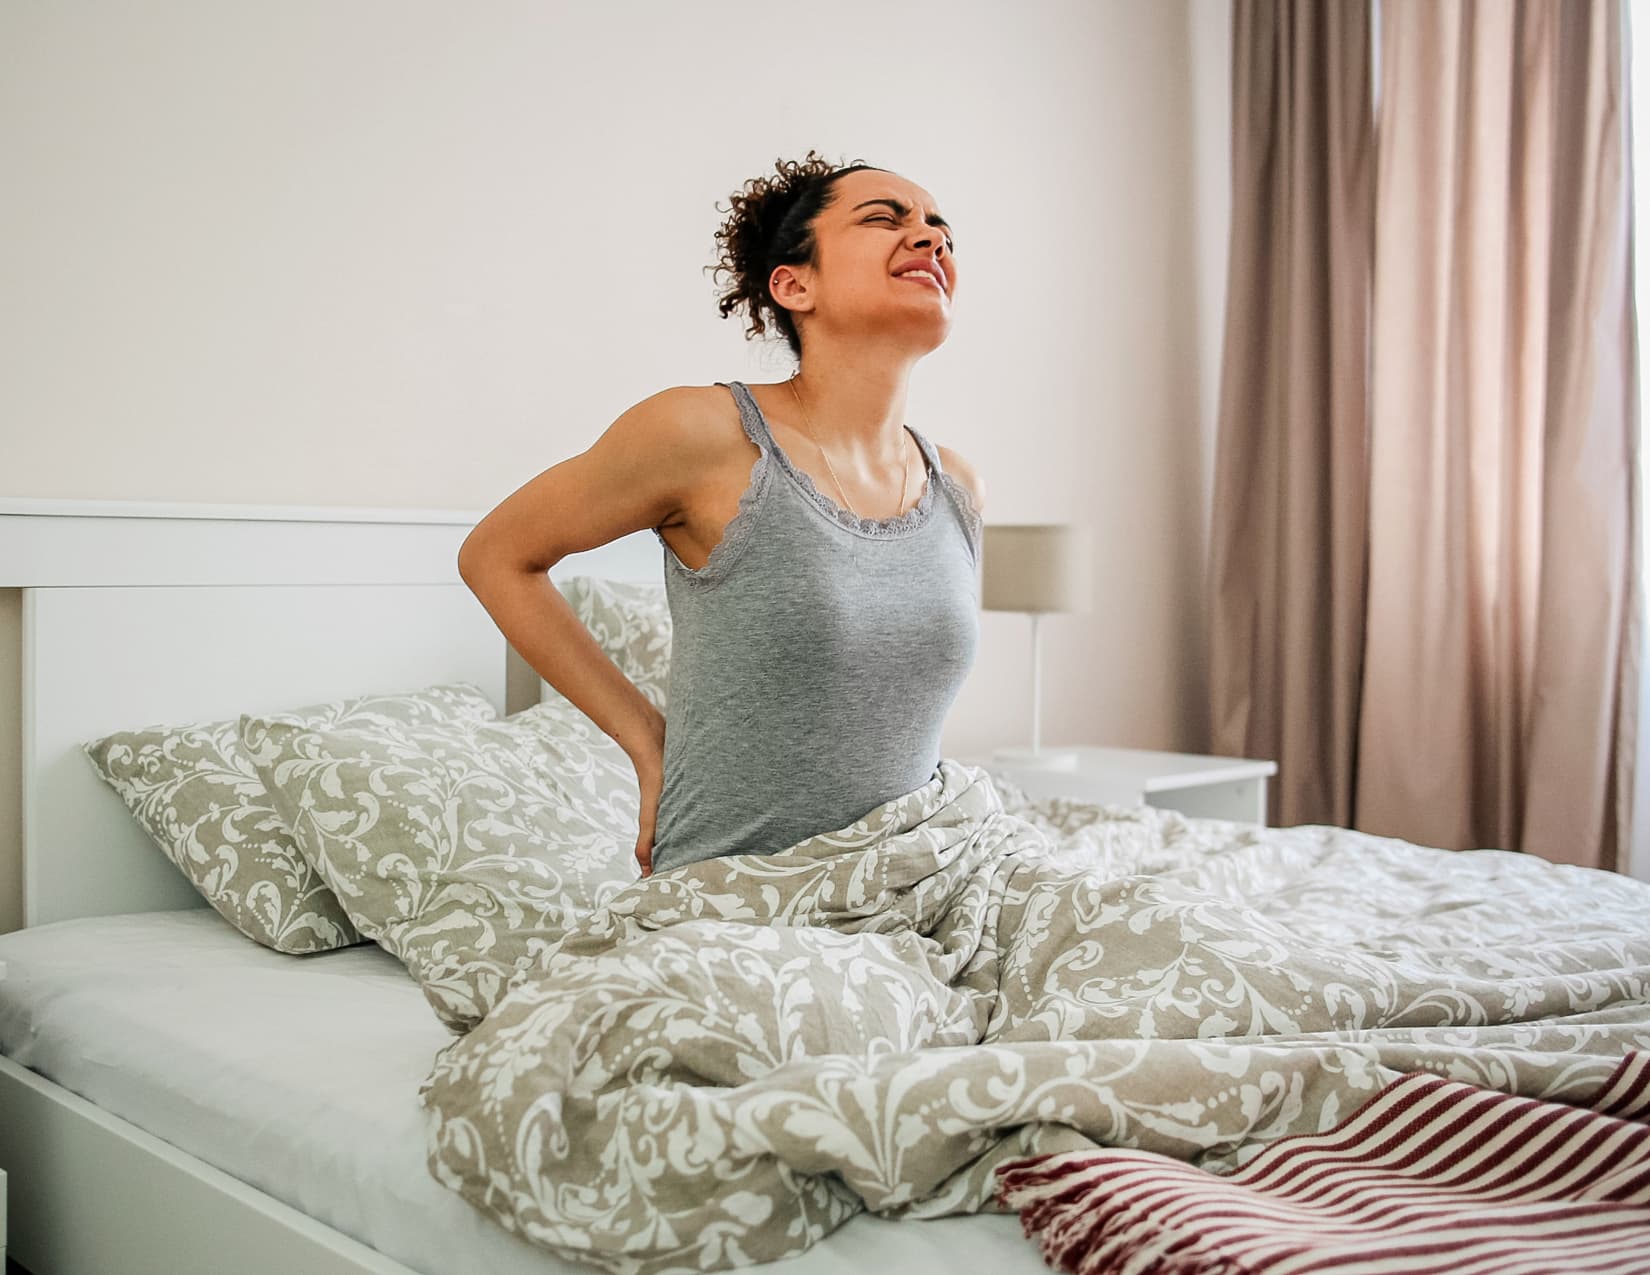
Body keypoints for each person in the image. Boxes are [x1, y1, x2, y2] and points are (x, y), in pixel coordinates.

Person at [458, 150, 986, 879]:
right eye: (884, 220)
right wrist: (649, 744)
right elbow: (496, 556)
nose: (931, 240)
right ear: (793, 283)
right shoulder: (702, 433)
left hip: (932, 873)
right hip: (747, 901)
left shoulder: (955, 484)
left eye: (942, 230)